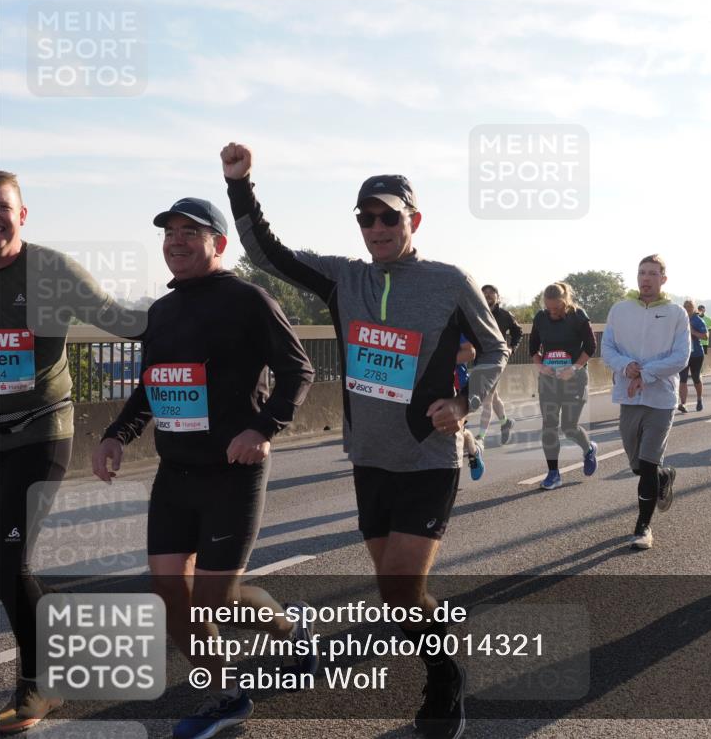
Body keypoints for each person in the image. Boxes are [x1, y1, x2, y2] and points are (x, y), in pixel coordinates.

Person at [220, 142, 508, 739]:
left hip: (428, 457)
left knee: (403, 590)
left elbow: (498, 346)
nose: (376, 228)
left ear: (414, 221)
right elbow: (264, 252)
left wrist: (463, 402)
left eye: (389, 217)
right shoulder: (342, 278)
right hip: (369, 459)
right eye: (366, 218)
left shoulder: (450, 281)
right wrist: (240, 184)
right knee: (393, 592)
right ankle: (439, 661)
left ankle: (445, 679)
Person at [91, 197, 317, 739]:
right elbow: (151, 386)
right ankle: (225, 695)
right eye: (169, 232)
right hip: (176, 474)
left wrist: (262, 430)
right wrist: (116, 435)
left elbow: (298, 370)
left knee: (218, 599)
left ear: (218, 242)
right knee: (170, 593)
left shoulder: (248, 299)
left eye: (191, 231)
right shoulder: (162, 312)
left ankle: (288, 631)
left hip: (232, 472)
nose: (177, 240)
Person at [0, 170, 147, 735]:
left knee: (8, 558)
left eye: (1, 208)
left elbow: (124, 321)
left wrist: (203, 311)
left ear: (22, 214)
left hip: (41, 430)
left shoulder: (50, 272)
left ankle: (41, 682)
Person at [601, 256, 689, 549]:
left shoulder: (676, 313)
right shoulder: (620, 309)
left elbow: (681, 356)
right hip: (628, 396)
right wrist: (628, 368)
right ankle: (665, 475)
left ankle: (643, 527)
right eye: (642, 273)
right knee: (638, 466)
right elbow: (608, 348)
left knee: (648, 464)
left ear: (664, 279)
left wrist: (647, 374)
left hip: (661, 398)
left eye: (653, 273)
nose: (646, 278)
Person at [530, 282, 598, 489]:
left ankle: (588, 449)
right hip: (549, 380)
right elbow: (533, 347)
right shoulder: (541, 317)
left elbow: (591, 346)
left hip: (574, 379)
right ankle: (553, 473)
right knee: (549, 426)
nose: (553, 312)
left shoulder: (578, 316)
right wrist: (540, 366)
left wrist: (574, 368)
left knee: (569, 427)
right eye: (549, 308)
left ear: (565, 301)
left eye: (557, 308)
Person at [476, 285, 522, 445]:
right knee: (493, 396)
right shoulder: (476, 312)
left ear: (498, 297)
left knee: (486, 398)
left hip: (496, 360)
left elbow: (518, 332)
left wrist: (511, 348)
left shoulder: (504, 315)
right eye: (485, 293)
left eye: (491, 293)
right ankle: (505, 422)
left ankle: (480, 437)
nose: (488, 295)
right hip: (479, 359)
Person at [455, 336, 484, 480]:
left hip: (456, 384)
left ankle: (474, 452)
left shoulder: (453, 316)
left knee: (455, 430)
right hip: (421, 384)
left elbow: (471, 352)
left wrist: (438, 359)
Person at [677, 299, 708, 413]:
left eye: (690, 306)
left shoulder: (698, 320)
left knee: (696, 377)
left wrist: (693, 331)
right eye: (685, 306)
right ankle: (683, 404)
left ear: (694, 308)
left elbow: (705, 336)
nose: (687, 308)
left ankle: (699, 399)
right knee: (682, 379)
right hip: (683, 353)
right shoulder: (680, 320)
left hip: (696, 354)